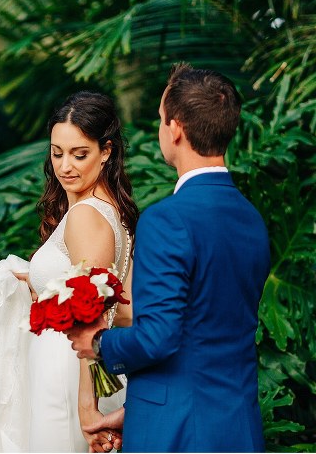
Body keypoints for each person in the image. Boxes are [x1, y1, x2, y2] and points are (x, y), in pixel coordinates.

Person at [66, 63, 271, 452]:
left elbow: (160, 337)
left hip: (175, 435)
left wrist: (98, 343)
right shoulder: (252, 220)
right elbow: (207, 334)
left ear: (175, 129)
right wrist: (136, 411)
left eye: (161, 119)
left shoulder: (166, 220)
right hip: (238, 428)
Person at [0, 91, 138, 453]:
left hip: (66, 373)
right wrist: (40, 283)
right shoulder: (114, 213)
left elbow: (94, 317)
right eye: (57, 153)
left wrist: (86, 409)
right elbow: (126, 310)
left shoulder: (86, 215)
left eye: (79, 154)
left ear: (106, 151)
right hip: (83, 368)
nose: (65, 166)